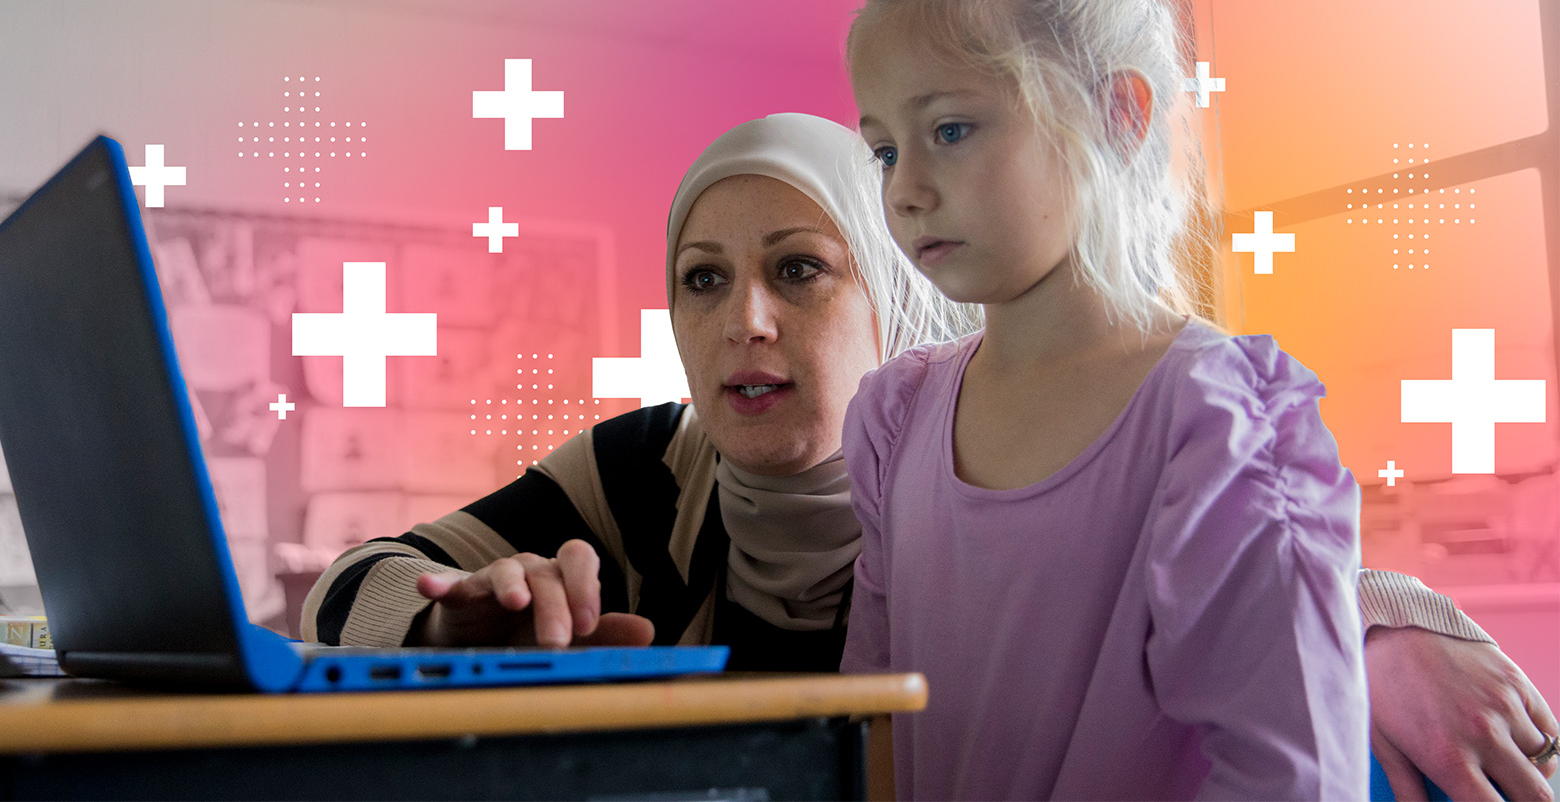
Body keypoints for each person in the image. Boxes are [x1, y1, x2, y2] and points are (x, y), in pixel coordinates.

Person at [301, 115, 1556, 798]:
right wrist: (459, 622)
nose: (743, 319)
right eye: (702, 279)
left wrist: (1380, 622)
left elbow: (1201, 554)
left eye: (800, 269)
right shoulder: (649, 466)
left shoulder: (985, 457)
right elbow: (351, 578)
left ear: (905, 299)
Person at [836, 0, 1556, 799]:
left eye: (950, 129)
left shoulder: (1227, 419)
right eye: (884, 150)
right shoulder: (894, 420)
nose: (904, 187)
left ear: (1118, 115)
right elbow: (870, 725)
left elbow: (1291, 773)